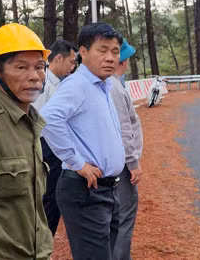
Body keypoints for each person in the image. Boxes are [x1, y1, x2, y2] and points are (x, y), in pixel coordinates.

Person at [41, 23, 126, 260]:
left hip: (107, 189)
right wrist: (77, 162)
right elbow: (48, 118)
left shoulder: (103, 85)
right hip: (86, 189)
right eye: (102, 50)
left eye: (115, 51)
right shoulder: (78, 84)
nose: (110, 57)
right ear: (84, 52)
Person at [0, 23, 53, 259]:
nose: (34, 77)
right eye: (21, 67)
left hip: (38, 253)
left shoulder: (32, 123)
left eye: (39, 67)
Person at [33, 39, 78, 236]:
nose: (73, 67)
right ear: (58, 58)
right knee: (48, 197)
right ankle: (43, 240)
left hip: (50, 147)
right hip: (43, 146)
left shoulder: (58, 84)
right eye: (71, 61)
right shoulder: (41, 83)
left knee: (52, 197)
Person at [108, 40, 143, 260]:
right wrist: (133, 163)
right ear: (125, 60)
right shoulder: (114, 88)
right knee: (123, 216)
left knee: (115, 217)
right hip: (122, 165)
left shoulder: (111, 85)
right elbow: (124, 129)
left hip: (116, 162)